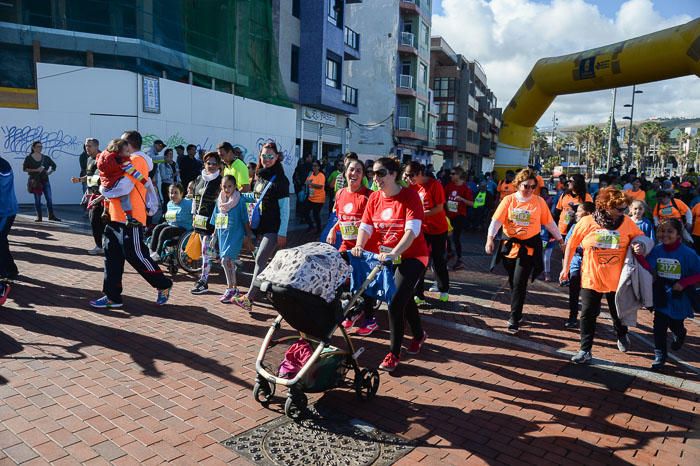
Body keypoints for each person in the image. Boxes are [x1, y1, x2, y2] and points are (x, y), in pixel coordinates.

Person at [351, 157, 429, 372]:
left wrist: (395, 252)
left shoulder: (410, 196)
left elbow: (411, 231)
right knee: (402, 297)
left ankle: (393, 354)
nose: (376, 178)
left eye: (381, 173)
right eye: (373, 173)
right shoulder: (374, 198)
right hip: (388, 257)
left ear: (394, 174)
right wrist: (359, 245)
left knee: (394, 302)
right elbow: (365, 227)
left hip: (413, 256)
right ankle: (420, 334)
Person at [561, 187, 647, 364]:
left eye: (625, 209)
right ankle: (585, 350)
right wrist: (565, 268)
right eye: (619, 209)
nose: (623, 213)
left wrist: (639, 245)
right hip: (591, 276)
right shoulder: (587, 222)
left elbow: (641, 238)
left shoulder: (627, 222)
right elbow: (571, 244)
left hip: (617, 279)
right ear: (606, 206)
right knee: (587, 313)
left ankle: (621, 334)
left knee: (618, 312)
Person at [89, 130, 172, 309]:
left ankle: (163, 285)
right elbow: (110, 181)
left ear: (129, 144)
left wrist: (103, 190)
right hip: (114, 216)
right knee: (111, 257)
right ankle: (112, 296)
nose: (117, 145)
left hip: (131, 218)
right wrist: (101, 196)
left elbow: (122, 188)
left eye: (122, 142)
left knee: (136, 255)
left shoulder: (137, 160)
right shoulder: (121, 160)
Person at [485, 168, 563, 333]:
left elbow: (549, 223)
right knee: (513, 281)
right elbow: (496, 221)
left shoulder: (539, 202)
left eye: (532, 187)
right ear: (518, 184)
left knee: (520, 282)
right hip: (510, 245)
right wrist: (489, 239)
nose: (529, 190)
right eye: (525, 186)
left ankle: (514, 318)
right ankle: (517, 310)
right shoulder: (508, 200)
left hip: (529, 247)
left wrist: (560, 239)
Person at [232, 142, 290, 312]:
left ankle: (249, 298)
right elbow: (256, 195)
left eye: (271, 156)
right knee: (262, 260)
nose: (267, 159)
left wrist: (282, 233)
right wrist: (238, 195)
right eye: (264, 156)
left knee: (260, 260)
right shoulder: (260, 175)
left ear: (277, 157)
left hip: (273, 228)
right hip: (259, 226)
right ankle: (268, 288)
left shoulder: (281, 180)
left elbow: (285, 210)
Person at [326, 159, 377, 335]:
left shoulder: (369, 196)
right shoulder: (340, 194)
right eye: (351, 170)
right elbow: (342, 218)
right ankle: (351, 311)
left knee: (364, 283)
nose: (354, 174)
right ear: (345, 172)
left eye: (358, 171)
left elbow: (374, 223)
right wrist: (333, 229)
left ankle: (370, 319)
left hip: (365, 247)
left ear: (363, 176)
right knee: (338, 276)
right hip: (346, 244)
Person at [642, 219, 700, 369]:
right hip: (662, 294)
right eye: (662, 231)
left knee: (676, 324)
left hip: (680, 296)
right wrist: (638, 256)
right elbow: (648, 266)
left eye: (670, 231)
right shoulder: (657, 250)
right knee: (659, 326)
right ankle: (660, 356)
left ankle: (680, 334)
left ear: (678, 234)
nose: (665, 234)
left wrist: (684, 283)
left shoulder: (688, 253)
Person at [404, 162, 451, 303]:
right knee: (419, 261)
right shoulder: (410, 186)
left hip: (438, 229)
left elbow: (439, 208)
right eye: (407, 175)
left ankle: (444, 289)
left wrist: (420, 214)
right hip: (422, 229)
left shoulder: (434, 185)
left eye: (412, 175)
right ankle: (418, 293)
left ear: (420, 173)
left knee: (438, 260)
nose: (409, 178)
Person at [94, 139, 156, 227]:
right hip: (116, 186)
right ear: (119, 153)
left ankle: (105, 211)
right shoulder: (122, 161)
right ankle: (129, 217)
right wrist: (145, 182)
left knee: (108, 197)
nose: (129, 154)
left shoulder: (103, 158)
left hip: (105, 186)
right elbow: (134, 173)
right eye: (127, 151)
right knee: (124, 197)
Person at [211, 175, 253, 303]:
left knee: (226, 260)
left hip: (235, 235)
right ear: (221, 187)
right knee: (227, 262)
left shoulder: (239, 201)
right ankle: (233, 288)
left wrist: (249, 234)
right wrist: (214, 235)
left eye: (230, 186)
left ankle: (230, 288)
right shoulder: (219, 201)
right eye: (224, 186)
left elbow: (245, 219)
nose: (227, 189)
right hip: (223, 235)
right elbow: (217, 219)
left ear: (235, 186)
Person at [190, 152, 223, 295]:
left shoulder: (220, 181)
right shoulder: (199, 178)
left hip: (213, 222)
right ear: (204, 163)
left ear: (219, 165)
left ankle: (203, 281)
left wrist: (218, 224)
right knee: (209, 251)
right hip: (199, 220)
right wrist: (193, 214)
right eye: (208, 163)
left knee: (206, 250)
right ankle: (225, 260)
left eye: (214, 163)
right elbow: (195, 198)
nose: (211, 166)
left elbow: (222, 204)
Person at [563, 201, 595, 328]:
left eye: (579, 211)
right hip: (576, 262)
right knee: (574, 289)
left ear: (587, 214)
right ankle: (572, 316)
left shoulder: (596, 226)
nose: (576, 214)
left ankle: (591, 316)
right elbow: (568, 244)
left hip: (592, 264)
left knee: (591, 292)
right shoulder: (574, 227)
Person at [71, 138, 104, 254]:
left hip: (101, 196)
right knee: (94, 220)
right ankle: (101, 245)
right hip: (92, 195)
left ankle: (101, 246)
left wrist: (88, 182)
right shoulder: (89, 159)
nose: (87, 148)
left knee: (97, 220)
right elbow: (90, 176)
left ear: (96, 146)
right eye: (86, 146)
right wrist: (80, 179)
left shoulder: (101, 158)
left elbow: (100, 178)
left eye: (90, 146)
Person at [149, 183, 192, 261]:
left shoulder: (188, 203)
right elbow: (169, 219)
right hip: (171, 226)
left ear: (181, 193)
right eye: (171, 193)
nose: (173, 195)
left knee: (165, 231)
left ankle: (158, 254)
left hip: (184, 229)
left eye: (176, 192)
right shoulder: (169, 204)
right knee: (157, 228)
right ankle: (152, 251)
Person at [444, 167, 474, 270]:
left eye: (453, 174)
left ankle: (459, 260)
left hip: (459, 216)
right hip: (449, 215)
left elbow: (472, 203)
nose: (450, 176)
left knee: (456, 238)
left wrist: (462, 199)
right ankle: (450, 252)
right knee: (445, 235)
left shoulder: (465, 188)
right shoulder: (449, 186)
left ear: (458, 175)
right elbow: (443, 199)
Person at [23, 141, 60, 222]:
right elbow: (25, 169)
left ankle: (51, 215)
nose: (40, 148)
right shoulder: (29, 158)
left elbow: (54, 165)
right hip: (35, 181)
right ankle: (39, 217)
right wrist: (36, 170)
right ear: (33, 148)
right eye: (38, 146)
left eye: (41, 146)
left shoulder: (46, 158)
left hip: (45, 180)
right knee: (37, 199)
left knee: (49, 198)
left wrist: (50, 172)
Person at [0, 155, 19, 305]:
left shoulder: (2, 166)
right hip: (5, 210)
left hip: (5, 211)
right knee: (1, 240)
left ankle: (3, 278)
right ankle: (10, 269)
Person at [304, 160, 326, 233]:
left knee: (315, 214)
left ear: (319, 167)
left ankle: (319, 229)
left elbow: (320, 186)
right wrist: (309, 184)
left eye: (316, 166)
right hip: (310, 197)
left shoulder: (321, 175)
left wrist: (311, 184)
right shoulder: (311, 174)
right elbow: (306, 182)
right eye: (313, 165)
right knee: (305, 212)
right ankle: (311, 226)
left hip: (319, 199)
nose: (314, 167)